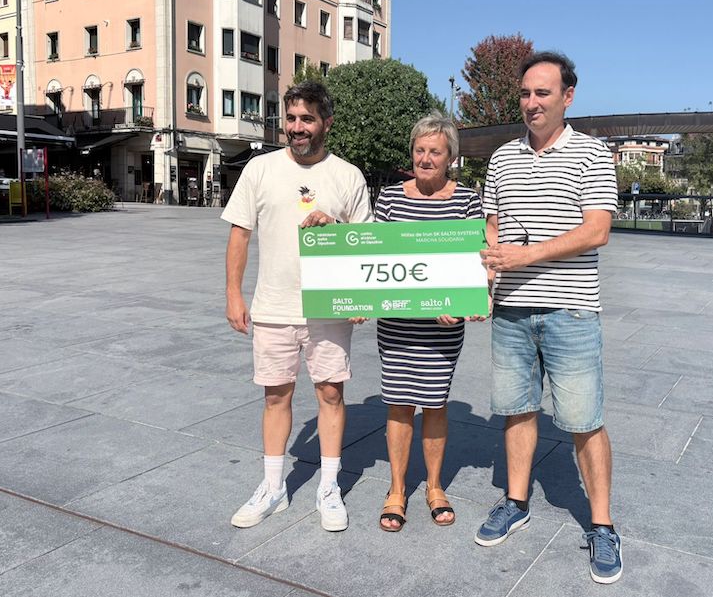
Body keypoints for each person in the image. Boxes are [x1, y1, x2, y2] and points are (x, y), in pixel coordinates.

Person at [476, 51, 623, 584]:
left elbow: (596, 230)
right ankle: (515, 502)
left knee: (584, 420)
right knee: (517, 411)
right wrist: (479, 281)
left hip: (571, 309)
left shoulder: (592, 154)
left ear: (568, 96)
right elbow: (492, 231)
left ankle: (602, 525)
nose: (532, 102)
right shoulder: (502, 158)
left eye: (543, 92)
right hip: (511, 311)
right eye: (525, 93)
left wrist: (525, 256)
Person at [222, 81, 372, 532]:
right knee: (275, 396)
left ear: (327, 122)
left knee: (331, 394)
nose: (297, 127)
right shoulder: (260, 169)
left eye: (307, 119)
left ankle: (329, 487)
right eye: (290, 118)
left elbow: (365, 242)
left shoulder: (348, 175)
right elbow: (240, 234)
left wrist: (358, 289)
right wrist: (233, 293)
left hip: (329, 308)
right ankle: (273, 488)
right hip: (273, 305)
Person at [373, 113, 484, 532]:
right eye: (419, 150)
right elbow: (375, 259)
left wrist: (463, 301)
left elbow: (475, 259)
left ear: (450, 157)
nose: (425, 158)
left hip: (442, 328)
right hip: (397, 323)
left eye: (434, 152)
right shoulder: (389, 198)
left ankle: (435, 486)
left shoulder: (467, 200)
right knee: (399, 403)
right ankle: (397, 489)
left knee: (435, 402)